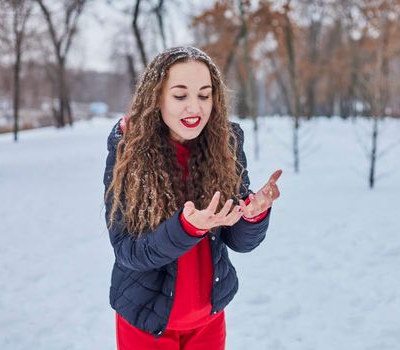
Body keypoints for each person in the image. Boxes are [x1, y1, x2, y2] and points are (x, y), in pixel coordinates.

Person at [103, 46, 282, 350]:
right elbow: (129, 252)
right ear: (157, 97)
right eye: (180, 95)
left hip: (208, 322)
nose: (195, 108)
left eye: (204, 95)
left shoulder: (226, 144)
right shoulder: (129, 150)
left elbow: (238, 241)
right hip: (147, 323)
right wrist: (187, 228)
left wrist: (253, 215)